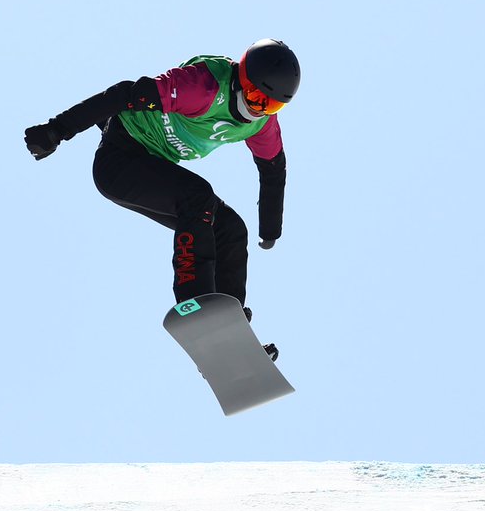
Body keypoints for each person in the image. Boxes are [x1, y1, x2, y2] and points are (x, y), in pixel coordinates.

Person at [24, 39, 299, 342]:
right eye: (256, 97)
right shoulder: (202, 87)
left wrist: (270, 228)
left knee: (230, 227)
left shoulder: (261, 125)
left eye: (271, 105)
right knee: (198, 196)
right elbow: (124, 94)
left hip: (153, 166)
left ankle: (230, 327)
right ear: (241, 80)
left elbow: (273, 169)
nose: (258, 110)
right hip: (120, 160)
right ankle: (195, 305)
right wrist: (57, 130)